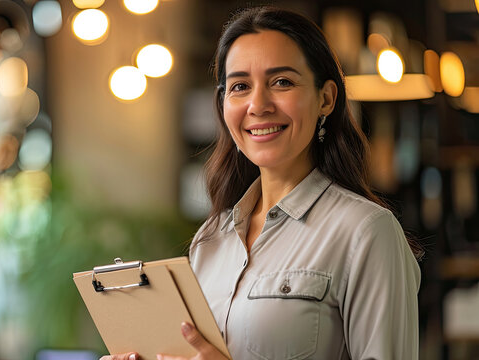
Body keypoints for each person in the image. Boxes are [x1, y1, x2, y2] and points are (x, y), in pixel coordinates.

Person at [102, 6, 422, 360]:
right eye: (240, 86)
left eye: (282, 82)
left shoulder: (366, 232)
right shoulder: (210, 240)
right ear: (224, 104)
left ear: (326, 99)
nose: (258, 104)